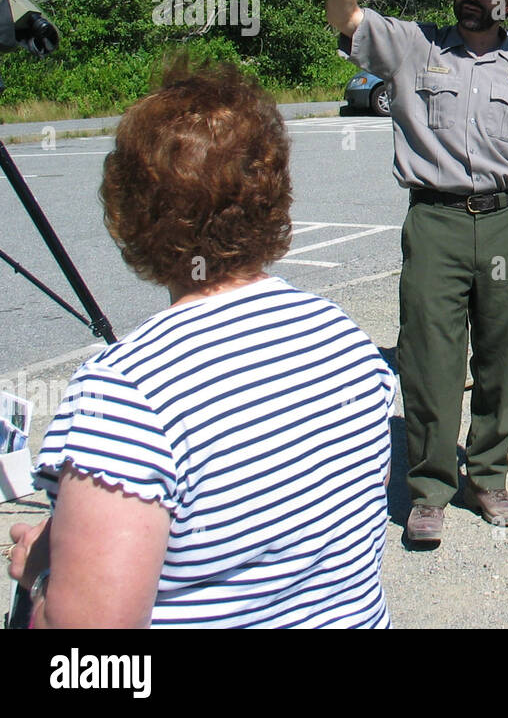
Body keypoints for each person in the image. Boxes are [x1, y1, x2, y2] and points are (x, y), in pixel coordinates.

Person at [6, 61, 394, 627]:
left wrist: (41, 574)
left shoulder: (126, 394)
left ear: (130, 210)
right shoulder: (345, 338)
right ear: (274, 194)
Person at [326, 0, 508, 546]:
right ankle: (430, 488)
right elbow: (346, 20)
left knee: (497, 356)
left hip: (505, 222)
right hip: (434, 222)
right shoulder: (416, 47)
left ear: (507, 2)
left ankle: (487, 476)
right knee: (430, 359)